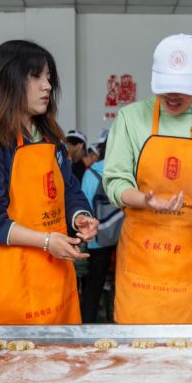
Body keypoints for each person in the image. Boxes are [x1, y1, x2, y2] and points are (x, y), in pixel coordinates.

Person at [0, 40, 98, 325]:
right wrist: (45, 241)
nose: (47, 86)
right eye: (36, 77)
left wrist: (80, 216)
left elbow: (68, 189)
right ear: (8, 81)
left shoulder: (51, 140)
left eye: (49, 78)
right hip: (6, 290)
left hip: (55, 284)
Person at [104, 34, 192, 324]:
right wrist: (145, 200)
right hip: (142, 263)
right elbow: (115, 182)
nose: (173, 96)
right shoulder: (131, 118)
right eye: (167, 88)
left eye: (183, 89)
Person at [80, 129, 120, 323]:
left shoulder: (92, 172)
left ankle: (87, 325)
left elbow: (84, 205)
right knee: (123, 284)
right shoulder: (126, 172)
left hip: (97, 238)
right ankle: (122, 323)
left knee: (94, 284)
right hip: (124, 239)